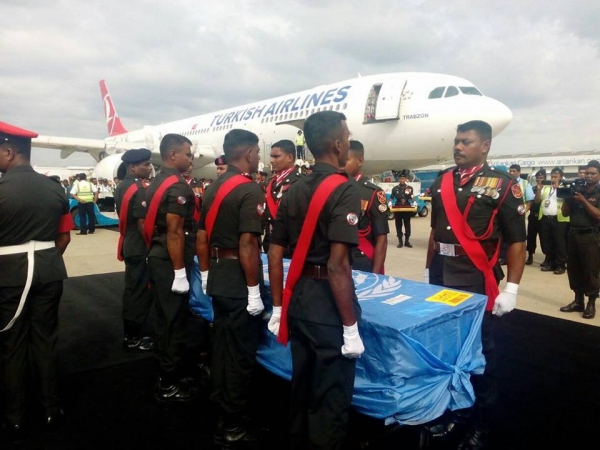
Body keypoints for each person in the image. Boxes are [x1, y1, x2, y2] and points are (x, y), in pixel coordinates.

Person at [425, 120, 526, 449]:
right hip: (443, 272)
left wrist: (512, 287)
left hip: (474, 276)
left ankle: (483, 418)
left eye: (465, 142)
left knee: (480, 350)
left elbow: (516, 242)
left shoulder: (502, 184)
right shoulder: (442, 181)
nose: (457, 147)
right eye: (456, 141)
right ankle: (454, 409)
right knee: (448, 346)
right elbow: (436, 230)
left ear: (484, 146)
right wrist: (431, 274)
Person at [268, 111, 364, 449]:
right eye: (348, 135)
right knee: (330, 399)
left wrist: (279, 305)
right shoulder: (345, 190)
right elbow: (338, 265)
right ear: (338, 144)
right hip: (328, 304)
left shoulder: (292, 189)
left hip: (299, 299)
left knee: (302, 387)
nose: (349, 139)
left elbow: (275, 251)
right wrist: (350, 327)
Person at [0, 121, 74, 439]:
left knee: (13, 345)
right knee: (45, 340)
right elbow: (65, 236)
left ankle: (15, 414)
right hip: (49, 270)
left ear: (8, 152)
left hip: (9, 275)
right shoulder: (56, 188)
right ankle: (50, 408)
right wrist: (47, 260)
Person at [196, 129, 265, 447]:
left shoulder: (212, 188)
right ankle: (232, 425)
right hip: (239, 278)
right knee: (239, 355)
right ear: (249, 153)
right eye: (258, 152)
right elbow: (248, 243)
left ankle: (222, 407)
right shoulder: (249, 190)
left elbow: (201, 237)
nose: (259, 157)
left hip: (220, 274)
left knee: (222, 348)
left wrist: (207, 274)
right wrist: (254, 290)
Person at [142, 134, 197, 402]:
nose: (191, 158)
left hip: (158, 255)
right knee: (174, 320)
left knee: (164, 318)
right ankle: (169, 381)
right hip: (170, 259)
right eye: (188, 153)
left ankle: (167, 370)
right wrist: (179, 273)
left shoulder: (156, 182)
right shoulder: (177, 187)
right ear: (173, 155)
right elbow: (175, 233)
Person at [114, 148, 154, 352]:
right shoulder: (138, 189)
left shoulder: (123, 186)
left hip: (130, 243)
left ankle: (132, 333)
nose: (149, 168)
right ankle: (133, 337)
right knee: (138, 291)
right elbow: (142, 223)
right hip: (140, 246)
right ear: (132, 167)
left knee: (133, 288)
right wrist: (152, 245)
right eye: (145, 165)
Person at [559, 161, 600, 319]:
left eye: (592, 173)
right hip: (573, 234)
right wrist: (568, 198)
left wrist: (583, 201)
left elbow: (598, 215)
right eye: (586, 173)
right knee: (574, 269)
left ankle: (591, 304)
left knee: (591, 271)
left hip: (591, 236)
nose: (588, 176)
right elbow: (564, 213)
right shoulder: (578, 189)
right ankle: (578, 300)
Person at [344, 139, 389, 273]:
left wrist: (375, 276)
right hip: (337, 262)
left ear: (360, 161)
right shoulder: (335, 188)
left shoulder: (372, 193)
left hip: (361, 262)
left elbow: (381, 239)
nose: (340, 164)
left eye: (346, 160)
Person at [263, 139, 303, 254]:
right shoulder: (272, 182)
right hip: (270, 242)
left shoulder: (299, 182)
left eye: (276, 157)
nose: (271, 161)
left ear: (290, 157)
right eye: (271, 157)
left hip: (289, 245)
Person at [535, 167, 569, 274]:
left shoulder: (565, 187)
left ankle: (560, 265)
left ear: (561, 177)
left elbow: (568, 200)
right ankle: (550, 263)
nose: (553, 179)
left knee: (559, 243)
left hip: (559, 220)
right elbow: (537, 201)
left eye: (556, 177)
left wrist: (558, 188)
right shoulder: (546, 187)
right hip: (545, 218)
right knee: (547, 242)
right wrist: (539, 189)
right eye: (552, 177)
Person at [526, 169, 546, 265]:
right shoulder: (532, 189)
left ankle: (547, 257)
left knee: (544, 238)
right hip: (533, 216)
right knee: (531, 237)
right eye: (538, 178)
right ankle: (530, 256)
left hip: (542, 218)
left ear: (545, 178)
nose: (539, 180)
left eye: (541, 178)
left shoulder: (547, 189)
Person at [390, 171, 414, 248]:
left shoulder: (409, 188)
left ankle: (407, 241)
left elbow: (412, 197)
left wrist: (414, 203)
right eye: (401, 179)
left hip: (407, 207)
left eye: (403, 179)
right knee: (398, 224)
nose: (402, 180)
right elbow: (391, 197)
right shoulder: (395, 189)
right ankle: (400, 241)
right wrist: (390, 203)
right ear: (399, 180)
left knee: (407, 224)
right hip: (398, 207)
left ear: (406, 179)